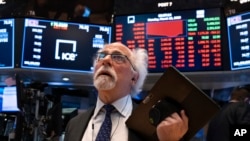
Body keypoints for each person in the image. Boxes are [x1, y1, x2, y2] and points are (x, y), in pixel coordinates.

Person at [64, 42, 189, 141]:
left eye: (118, 57)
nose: (105, 60)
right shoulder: (74, 124)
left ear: (134, 77)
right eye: (101, 55)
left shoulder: (155, 124)